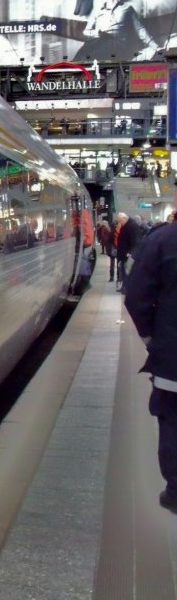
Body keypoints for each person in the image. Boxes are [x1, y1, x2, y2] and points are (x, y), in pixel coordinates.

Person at [124, 204, 177, 515]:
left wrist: (152, 339)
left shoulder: (162, 240)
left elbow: (136, 296)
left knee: (172, 420)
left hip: (173, 359)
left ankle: (175, 491)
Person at [75, 0, 159, 62]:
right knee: (79, 56)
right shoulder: (98, 10)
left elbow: (139, 29)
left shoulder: (126, 8)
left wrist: (155, 46)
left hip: (118, 42)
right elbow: (86, 31)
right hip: (99, 39)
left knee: (90, 56)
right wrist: (96, 33)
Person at [116, 212, 144, 293]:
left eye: (120, 221)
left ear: (124, 218)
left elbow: (136, 241)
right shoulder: (126, 225)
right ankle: (125, 287)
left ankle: (127, 288)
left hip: (128, 255)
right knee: (124, 272)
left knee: (127, 272)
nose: (119, 223)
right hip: (124, 254)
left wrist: (130, 253)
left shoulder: (132, 226)